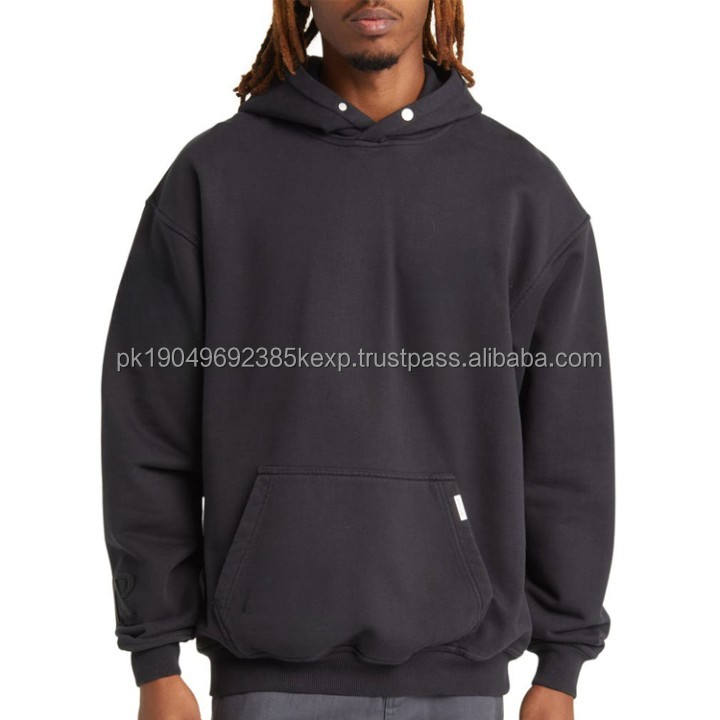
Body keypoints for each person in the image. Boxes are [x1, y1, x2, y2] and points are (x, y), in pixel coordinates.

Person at [101, 1, 615, 719]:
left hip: (460, 680)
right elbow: (148, 430)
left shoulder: (522, 192)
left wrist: (561, 667)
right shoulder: (212, 179)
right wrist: (155, 657)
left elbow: (570, 445)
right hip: (266, 674)